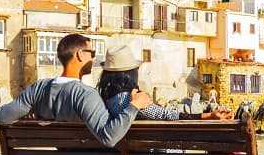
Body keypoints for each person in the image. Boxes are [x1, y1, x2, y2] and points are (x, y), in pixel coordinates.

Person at [0, 34, 152, 147]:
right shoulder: (86, 94)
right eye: (92, 53)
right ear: (80, 55)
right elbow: (109, 138)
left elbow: (1, 117)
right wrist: (135, 106)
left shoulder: (39, 87)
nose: (93, 59)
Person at [97, 45, 233, 120]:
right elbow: (165, 114)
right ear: (131, 73)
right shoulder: (130, 99)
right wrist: (209, 115)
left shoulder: (103, 99)